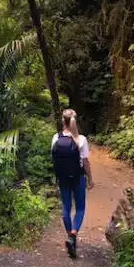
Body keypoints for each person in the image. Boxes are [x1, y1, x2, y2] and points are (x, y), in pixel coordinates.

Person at [51, 109, 94, 258]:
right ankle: (73, 235)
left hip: (63, 177)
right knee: (80, 208)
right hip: (78, 177)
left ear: (63, 121)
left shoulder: (56, 138)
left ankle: (69, 235)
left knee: (66, 207)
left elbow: (54, 158)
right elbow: (86, 162)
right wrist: (90, 179)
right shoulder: (81, 139)